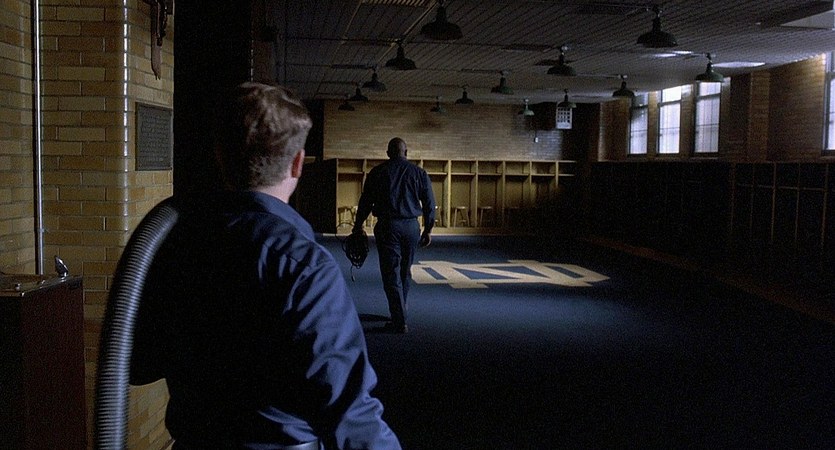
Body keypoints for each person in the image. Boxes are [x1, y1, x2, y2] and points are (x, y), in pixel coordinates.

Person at [130, 82, 401, 450]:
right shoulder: (303, 265)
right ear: (298, 163)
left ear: (220, 156)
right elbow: (348, 409)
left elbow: (138, 363)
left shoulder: (175, 246)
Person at [352, 137, 436, 334]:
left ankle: (399, 319)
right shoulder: (419, 173)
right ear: (406, 153)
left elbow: (366, 202)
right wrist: (428, 229)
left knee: (391, 273)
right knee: (405, 271)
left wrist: (358, 225)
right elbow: (429, 204)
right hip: (411, 227)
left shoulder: (378, 172)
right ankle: (400, 311)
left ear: (388, 153)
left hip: (388, 227)